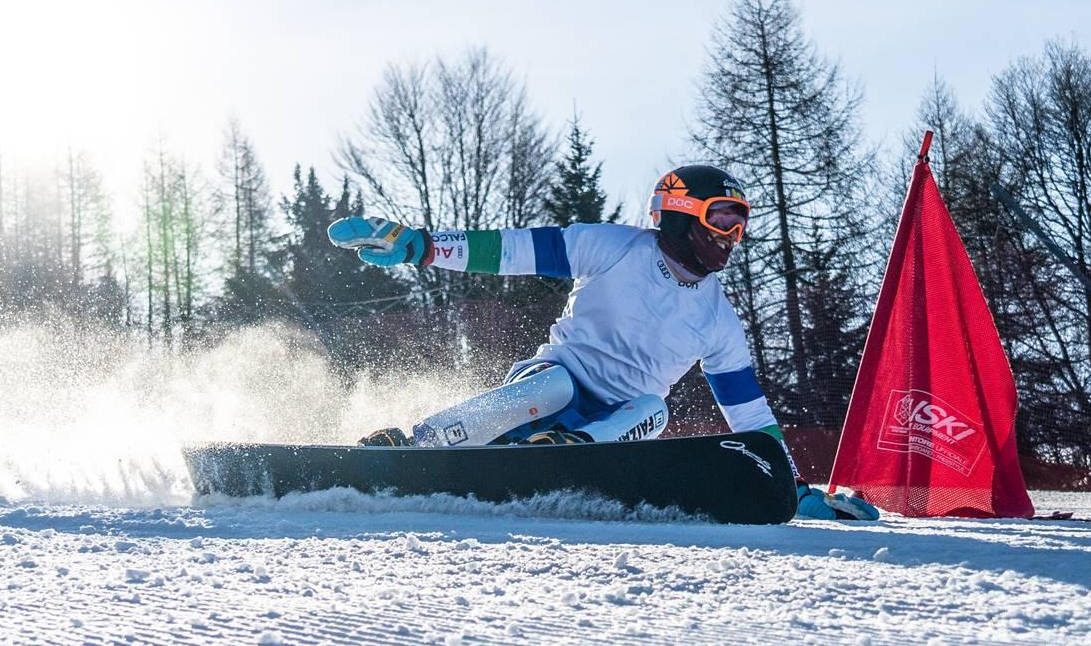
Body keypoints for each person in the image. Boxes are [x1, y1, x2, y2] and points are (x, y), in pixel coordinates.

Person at [330, 163, 786, 454]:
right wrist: (422, 246)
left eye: (740, 224)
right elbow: (511, 250)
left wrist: (790, 483)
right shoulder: (615, 247)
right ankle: (419, 446)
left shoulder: (720, 321)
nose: (731, 234)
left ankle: (569, 455)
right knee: (554, 384)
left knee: (655, 408)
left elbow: (749, 415)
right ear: (682, 213)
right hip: (548, 389)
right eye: (722, 218)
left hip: (615, 427)